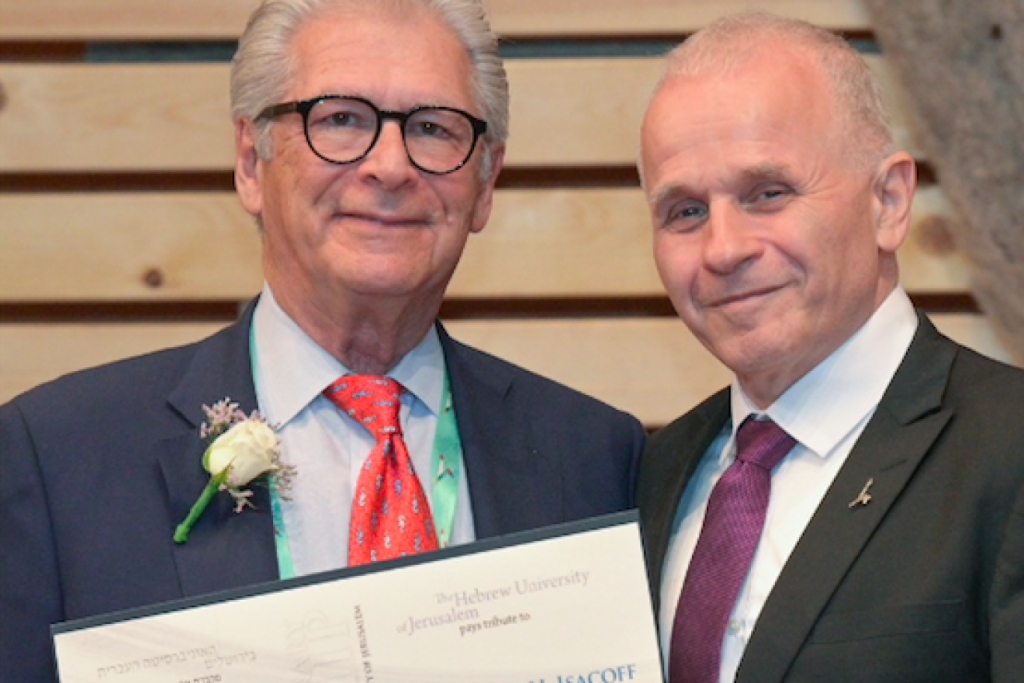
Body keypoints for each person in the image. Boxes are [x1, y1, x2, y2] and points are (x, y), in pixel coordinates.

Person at [0, 1, 644, 680]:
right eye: (341, 118)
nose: (391, 166)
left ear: (486, 182)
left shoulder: (597, 458)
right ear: (251, 160)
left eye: (433, 128)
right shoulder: (56, 459)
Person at [636, 11, 1024, 683]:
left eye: (768, 193)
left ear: (888, 201)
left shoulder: (1008, 450)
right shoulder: (653, 471)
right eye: (685, 211)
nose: (724, 249)